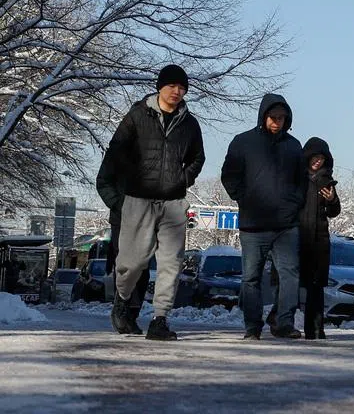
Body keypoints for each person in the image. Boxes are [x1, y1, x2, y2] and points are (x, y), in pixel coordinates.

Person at [102, 64, 205, 341]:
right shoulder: (138, 115)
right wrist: (131, 180)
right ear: (160, 87)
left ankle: (160, 319)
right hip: (138, 199)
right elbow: (116, 150)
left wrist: (183, 179)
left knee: (171, 263)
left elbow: (198, 157)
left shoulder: (190, 124)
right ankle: (123, 298)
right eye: (172, 86)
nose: (177, 91)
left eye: (182, 87)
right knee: (132, 263)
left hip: (173, 202)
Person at [221, 94, 307, 340]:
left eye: (282, 118)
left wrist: (294, 204)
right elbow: (229, 175)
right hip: (253, 225)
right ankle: (252, 326)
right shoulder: (243, 142)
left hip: (285, 224)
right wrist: (244, 199)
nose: (277, 122)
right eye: (273, 117)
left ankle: (284, 323)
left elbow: (301, 182)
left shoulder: (293, 146)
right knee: (251, 277)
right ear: (263, 116)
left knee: (290, 274)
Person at [95, 145, 149, 333]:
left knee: (143, 267)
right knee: (126, 265)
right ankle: (121, 309)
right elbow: (103, 181)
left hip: (149, 217)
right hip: (122, 218)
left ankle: (132, 314)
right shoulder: (119, 149)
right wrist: (118, 204)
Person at [294, 137, 340, 339]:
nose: (317, 162)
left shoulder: (327, 181)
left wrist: (332, 200)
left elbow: (334, 211)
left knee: (316, 285)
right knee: (292, 281)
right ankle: (282, 319)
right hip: (298, 236)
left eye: (321, 158)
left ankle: (316, 328)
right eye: (314, 157)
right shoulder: (297, 179)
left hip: (319, 238)